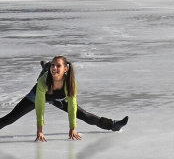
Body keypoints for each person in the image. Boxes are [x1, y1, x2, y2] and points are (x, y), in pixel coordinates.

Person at [0, 56, 128, 142]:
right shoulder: (43, 81)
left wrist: (72, 127)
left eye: (58, 66)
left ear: (65, 69)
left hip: (60, 99)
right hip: (39, 95)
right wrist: (39, 130)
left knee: (85, 115)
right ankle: (45, 67)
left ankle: (113, 124)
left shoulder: (70, 82)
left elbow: (72, 105)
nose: (54, 68)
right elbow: (40, 106)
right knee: (11, 118)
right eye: (53, 66)